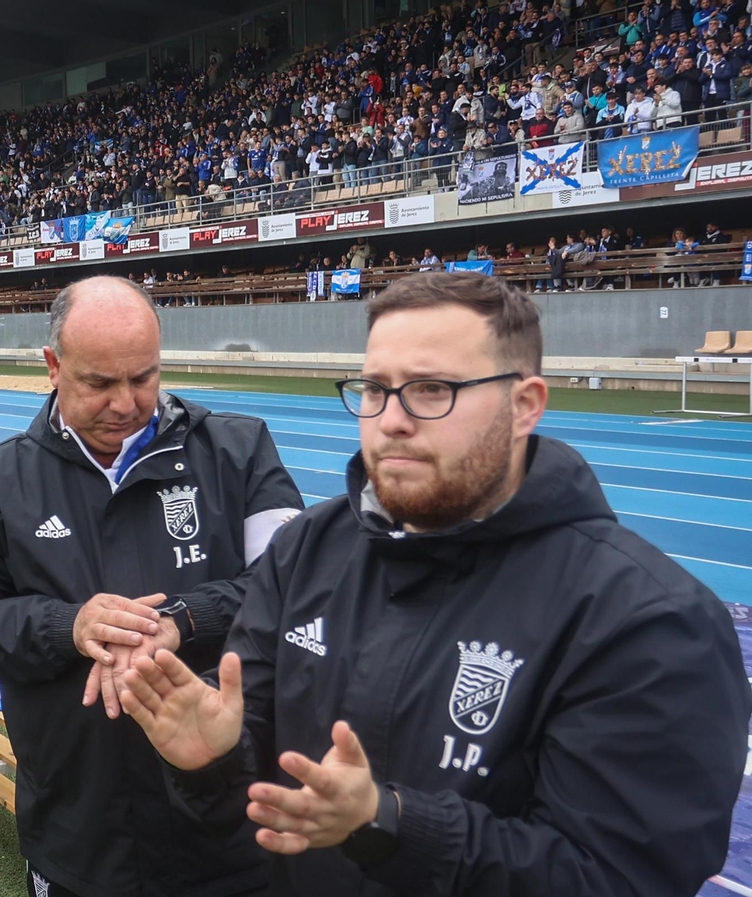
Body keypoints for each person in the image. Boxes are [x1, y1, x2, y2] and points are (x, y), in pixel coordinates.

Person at [117, 272, 749, 897]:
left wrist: (389, 825)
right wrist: (214, 758)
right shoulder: (307, 549)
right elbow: (254, 777)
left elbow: (620, 877)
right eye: (374, 389)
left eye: (430, 390)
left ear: (524, 404)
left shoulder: (650, 621)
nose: (391, 419)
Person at [0, 276, 305, 897]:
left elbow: (294, 593)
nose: (127, 403)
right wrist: (67, 627)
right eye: (99, 382)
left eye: (144, 378)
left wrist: (181, 620)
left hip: (228, 831)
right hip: (76, 833)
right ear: (52, 366)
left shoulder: (239, 451)